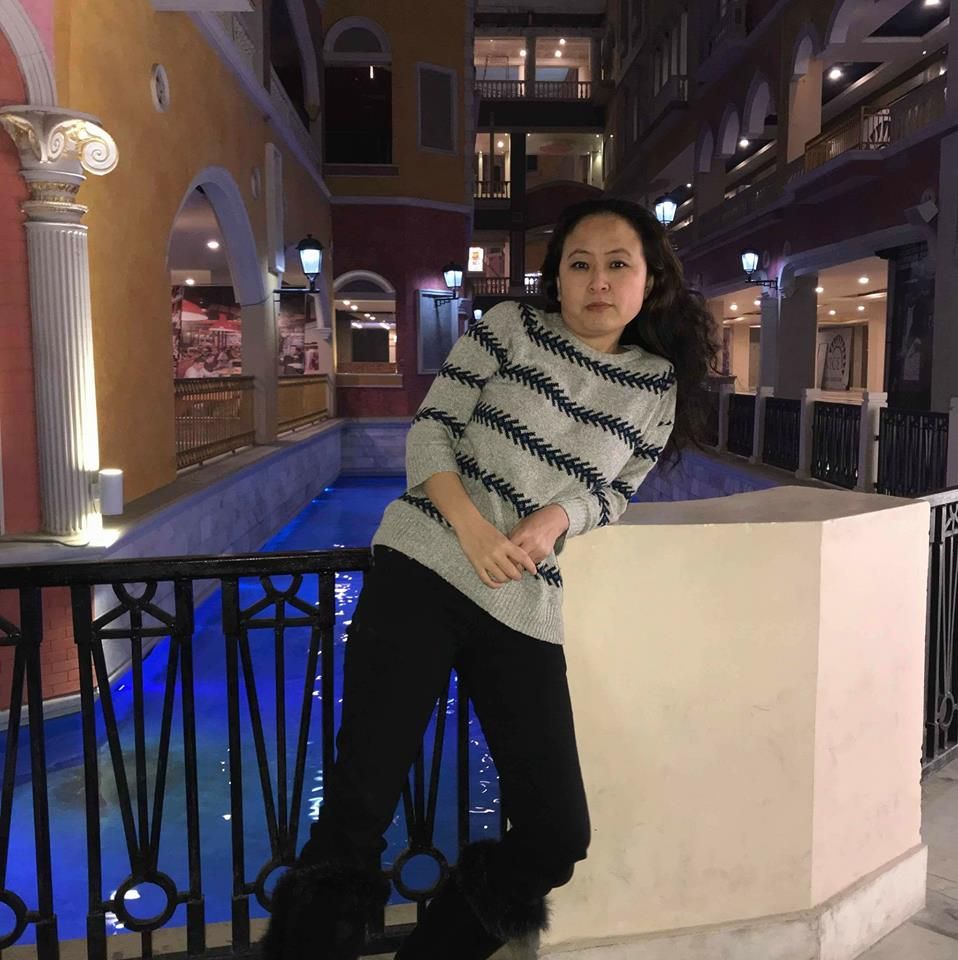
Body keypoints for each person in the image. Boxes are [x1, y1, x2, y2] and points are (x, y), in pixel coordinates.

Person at [262, 197, 718, 959]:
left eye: (618, 265)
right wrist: (473, 530)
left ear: (651, 280)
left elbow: (616, 491)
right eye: (580, 264)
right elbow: (430, 431)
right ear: (556, 277)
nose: (599, 282)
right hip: (423, 566)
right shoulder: (509, 327)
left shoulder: (655, 386)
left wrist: (558, 517)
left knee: (556, 833)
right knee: (356, 813)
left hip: (522, 598)